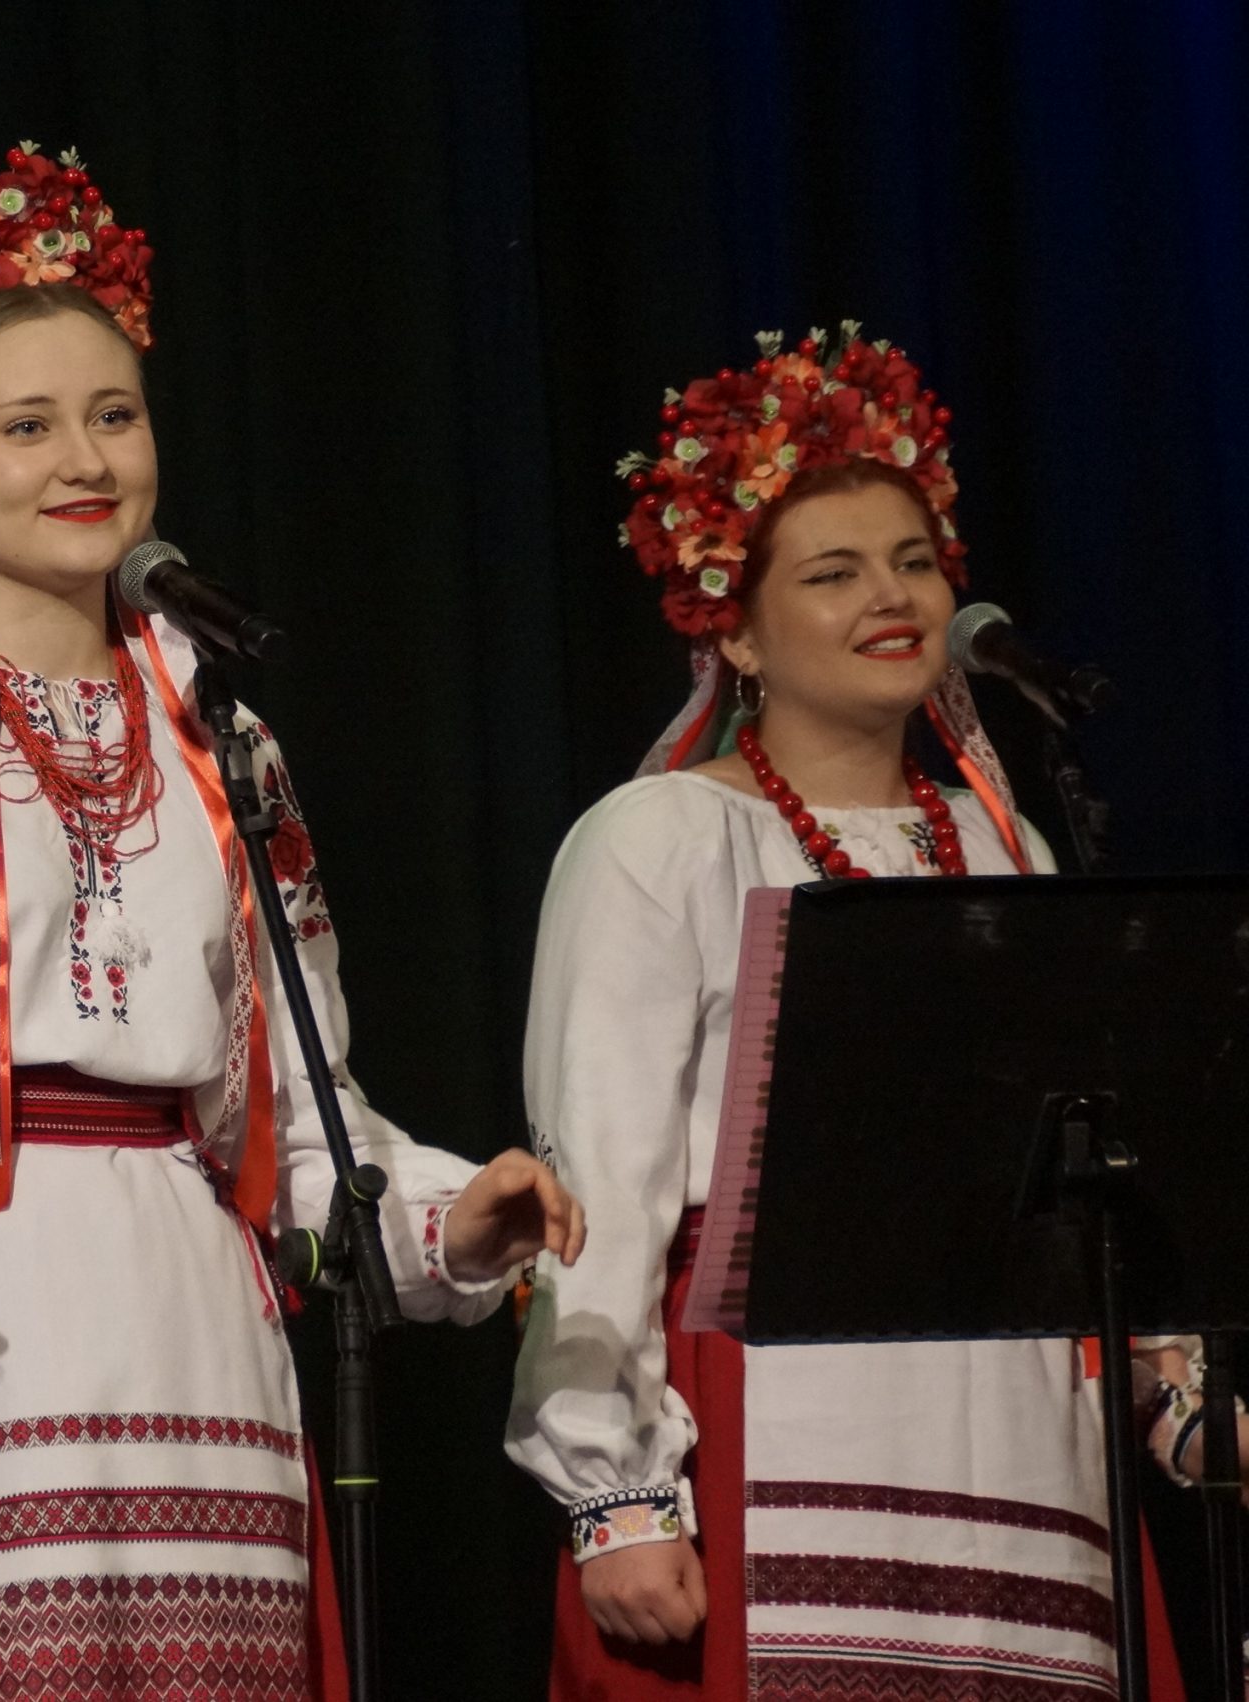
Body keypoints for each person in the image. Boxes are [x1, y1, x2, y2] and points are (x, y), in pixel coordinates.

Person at [0, 144, 585, 1701]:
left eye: (115, 415)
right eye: (26, 425)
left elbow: (296, 1115)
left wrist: (443, 1217)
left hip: (194, 1333)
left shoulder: (228, 745)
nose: (84, 457)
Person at [505, 325, 1187, 1700]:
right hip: (785, 1415)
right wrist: (617, 1492)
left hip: (1016, 1439)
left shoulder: (1006, 846)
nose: (892, 596)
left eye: (915, 561)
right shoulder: (662, 839)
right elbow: (602, 1187)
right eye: (833, 573)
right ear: (734, 627)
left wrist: (1166, 1378)